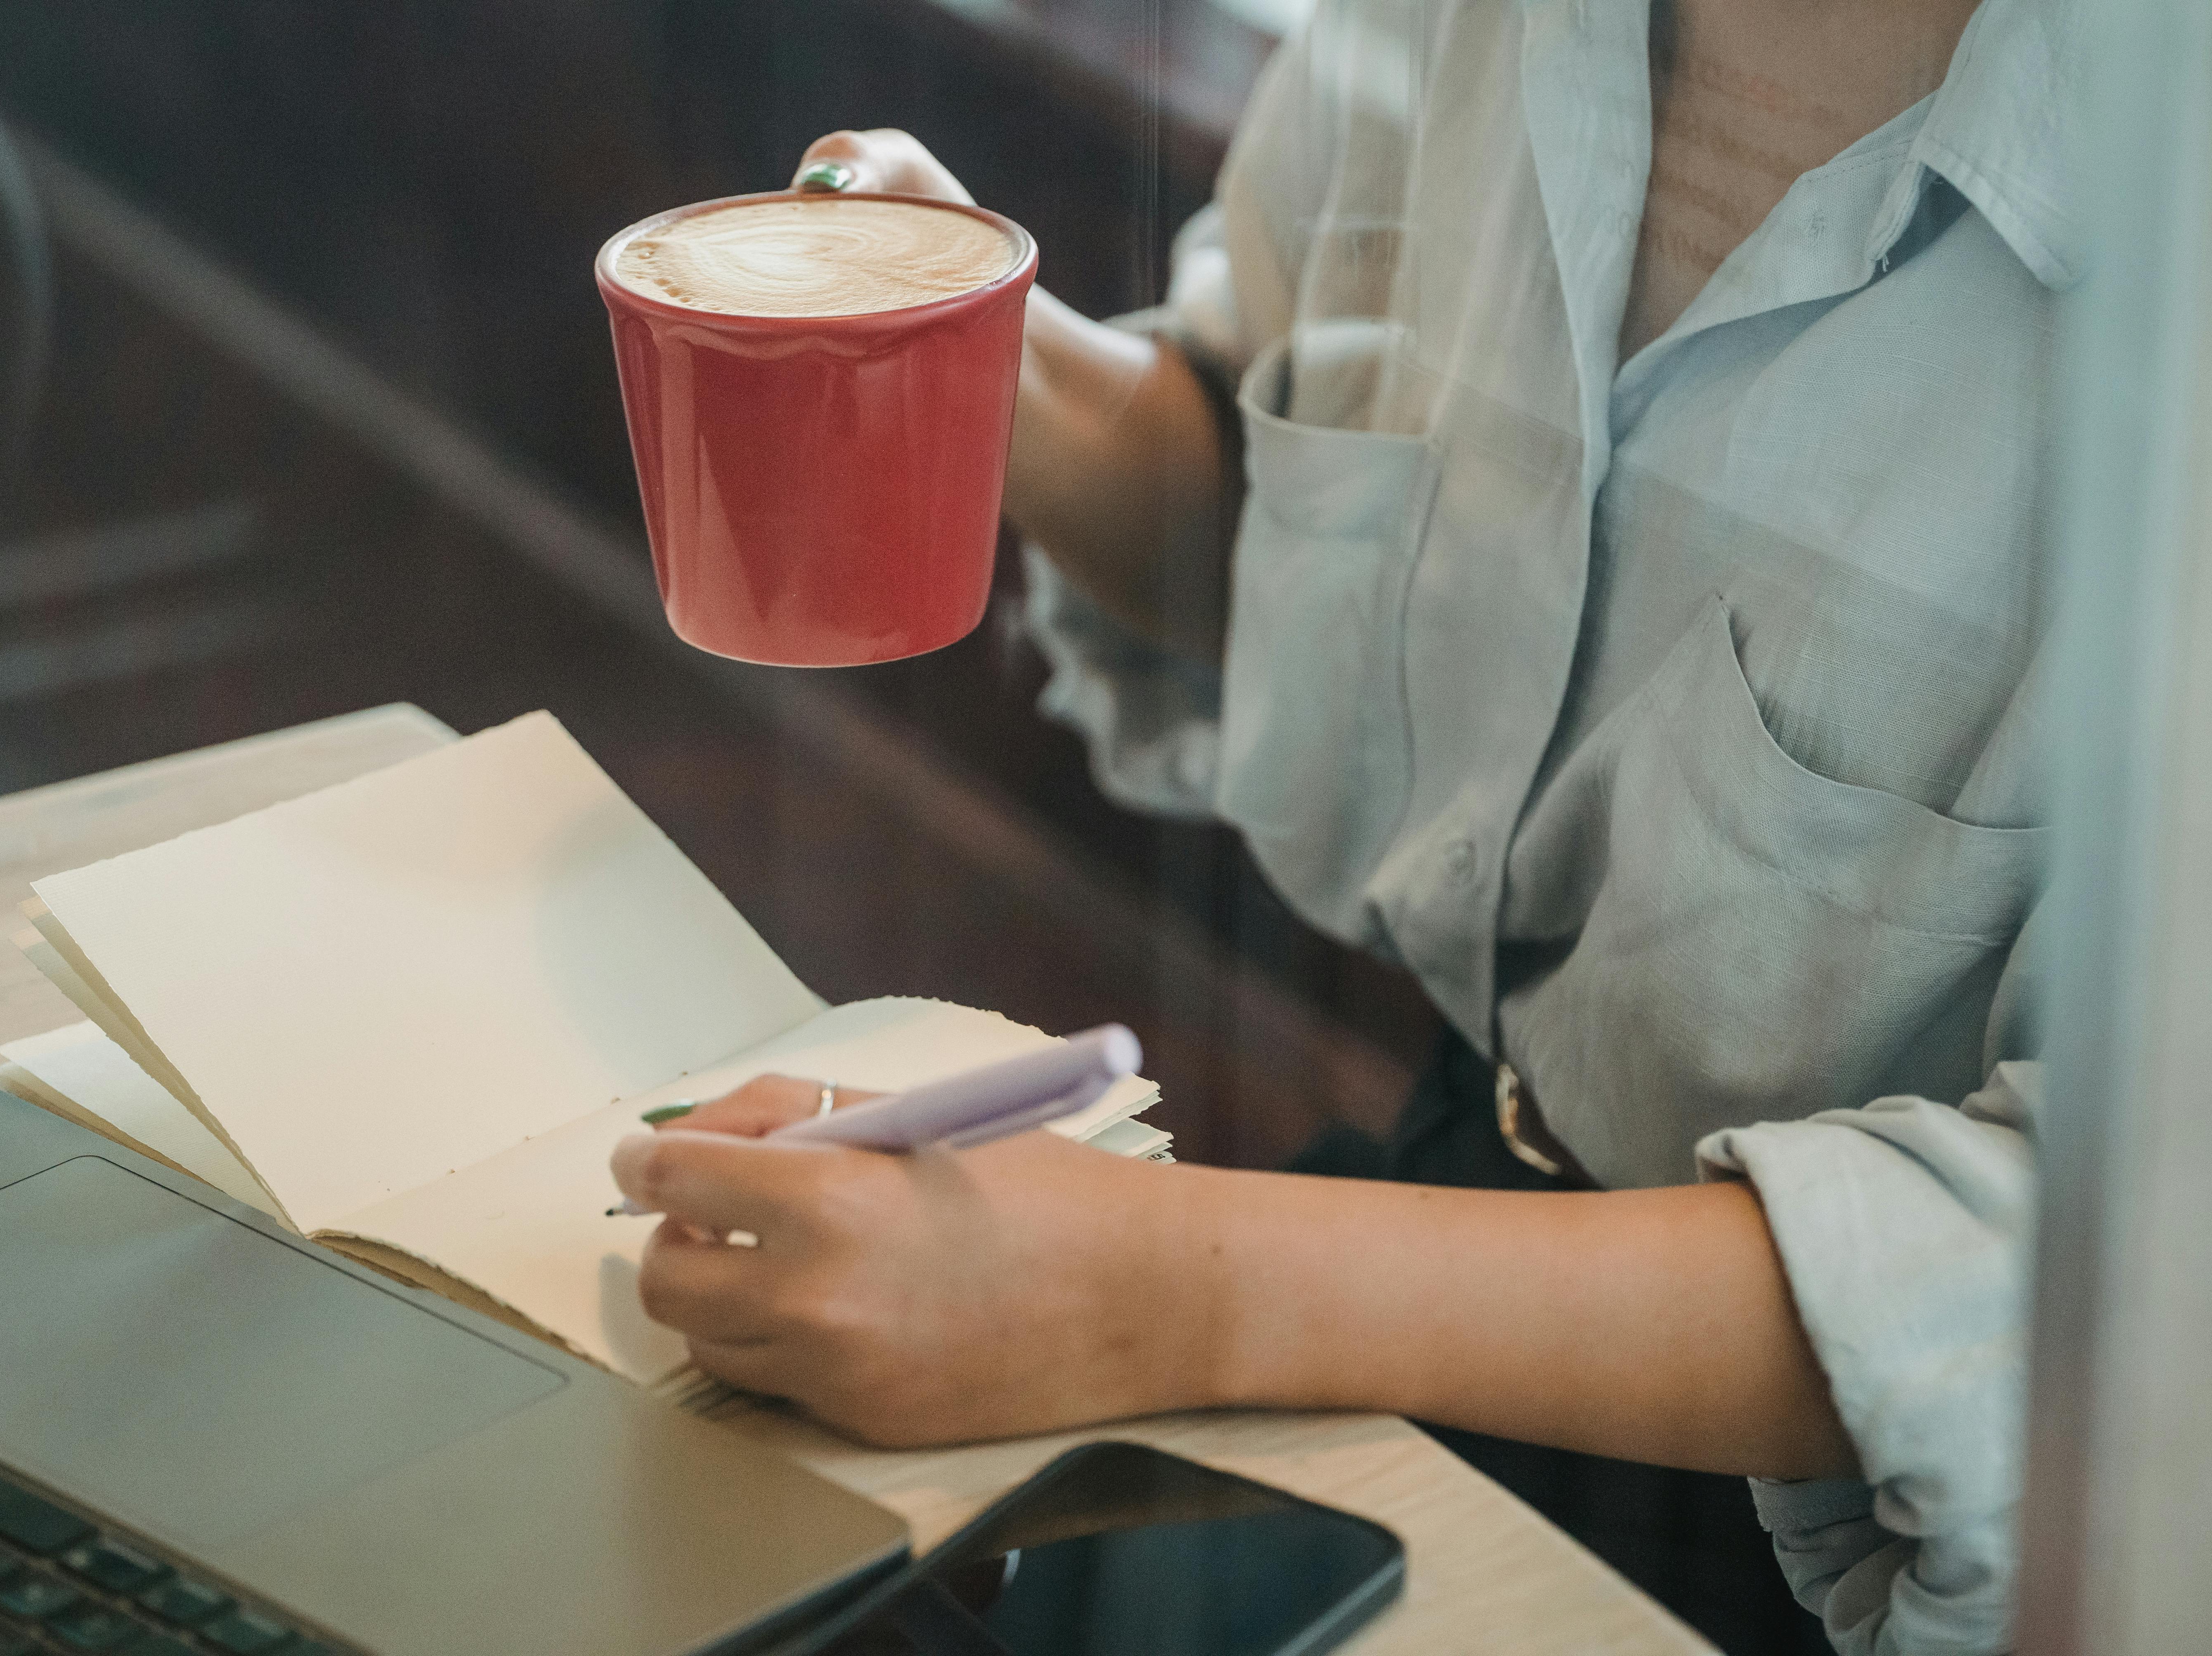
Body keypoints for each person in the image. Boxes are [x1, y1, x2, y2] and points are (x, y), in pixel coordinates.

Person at [607, 0, 2065, 1648]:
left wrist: (1164, 1289)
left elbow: (2093, 1297)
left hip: (1846, 1528)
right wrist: (969, 342)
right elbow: (1288, 507)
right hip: (1420, 1219)